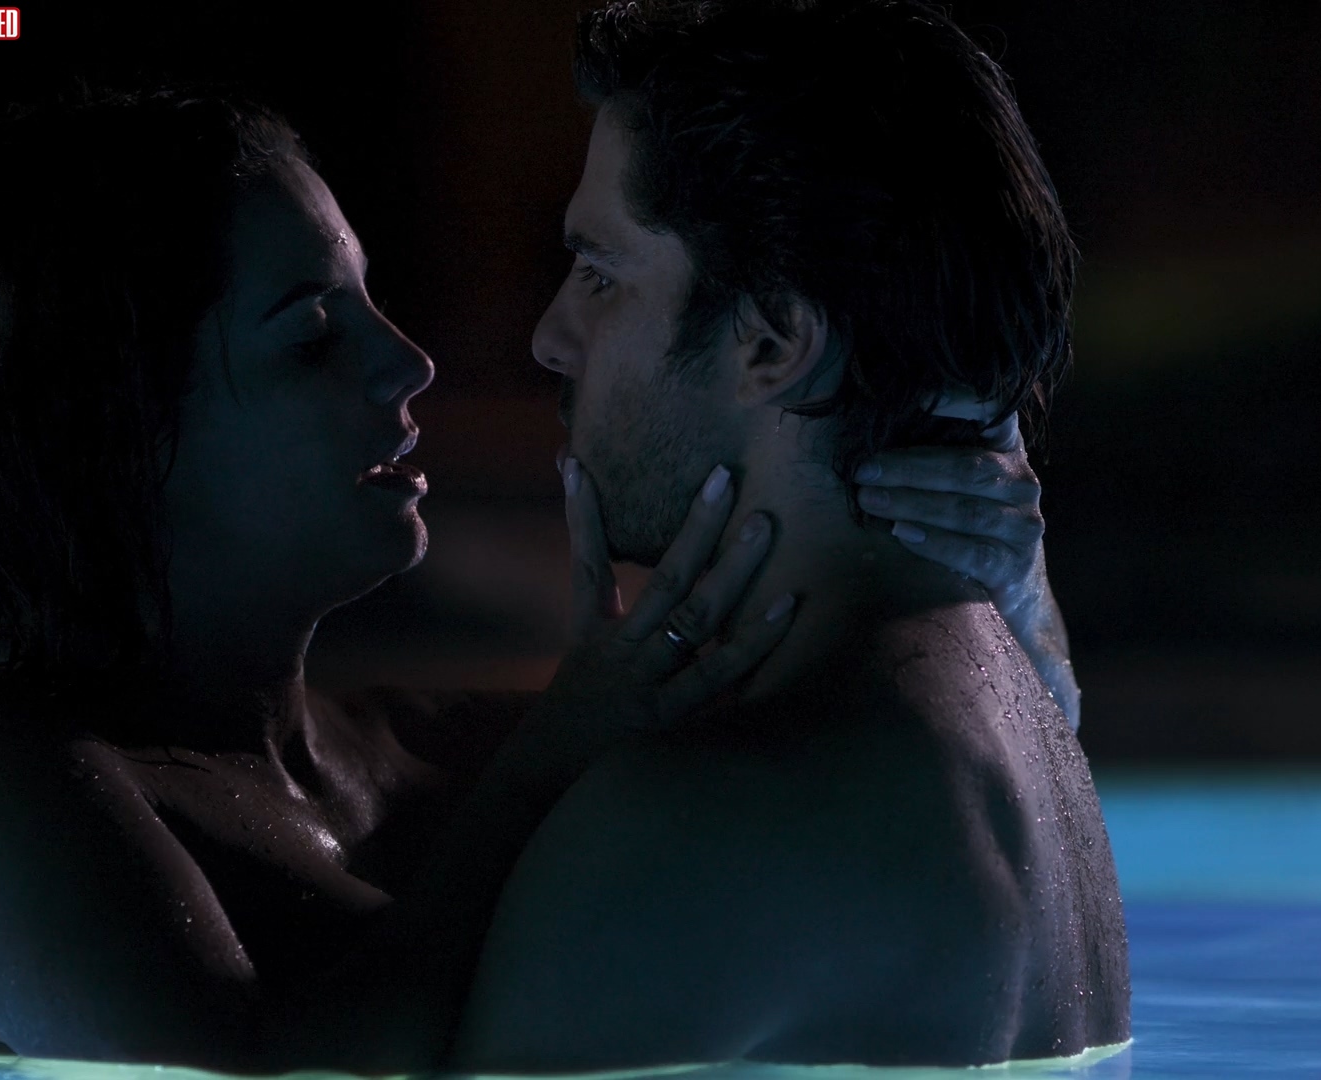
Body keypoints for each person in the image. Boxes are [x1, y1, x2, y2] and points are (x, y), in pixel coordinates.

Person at [0, 85, 1072, 1071]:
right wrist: (542, 769)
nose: (408, 361)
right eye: (311, 337)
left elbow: (962, 826)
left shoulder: (451, 749)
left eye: (370, 299)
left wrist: (1008, 591)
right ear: (107, 429)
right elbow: (254, 1073)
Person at [447, 0, 1129, 1071]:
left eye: (601, 275)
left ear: (770, 343)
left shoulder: (693, 827)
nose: (550, 337)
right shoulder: (1045, 770)